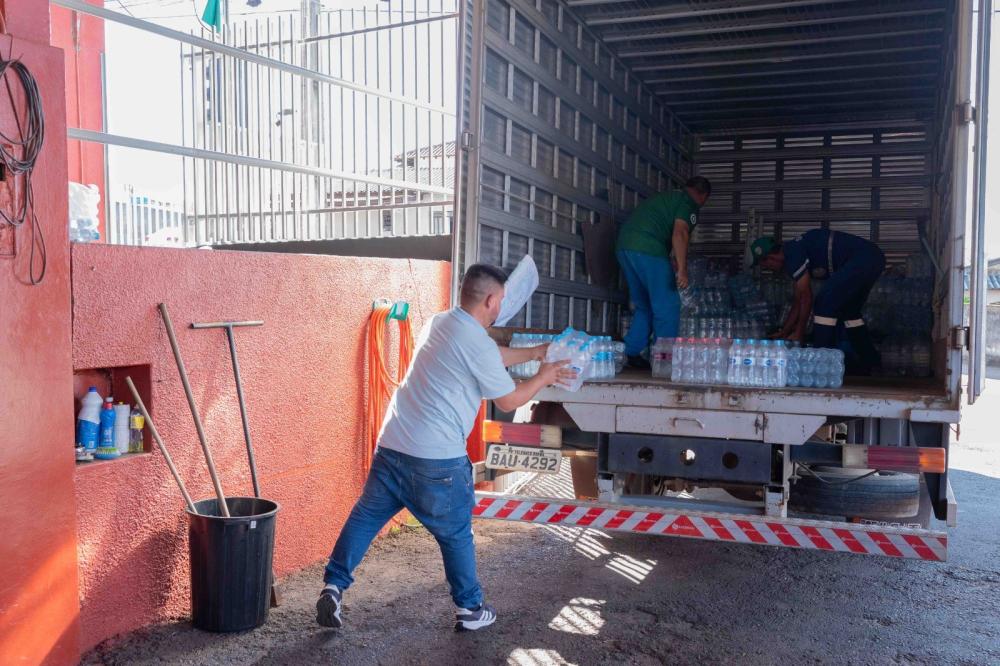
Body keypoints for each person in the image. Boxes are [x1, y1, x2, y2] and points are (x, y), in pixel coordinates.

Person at [317, 264, 575, 633]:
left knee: (365, 518)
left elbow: (489, 354)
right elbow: (509, 399)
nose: (501, 306)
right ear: (490, 300)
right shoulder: (477, 343)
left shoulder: (441, 323)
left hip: (393, 445)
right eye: (501, 300)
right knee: (455, 534)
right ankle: (470, 609)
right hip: (436, 460)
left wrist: (534, 352)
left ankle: (334, 585)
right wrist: (544, 376)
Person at [751, 229, 886, 373]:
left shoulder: (792, 254)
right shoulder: (794, 253)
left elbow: (807, 298)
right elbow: (798, 301)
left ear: (770, 258)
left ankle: (821, 363)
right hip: (873, 257)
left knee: (823, 304)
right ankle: (870, 360)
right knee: (850, 311)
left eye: (764, 265)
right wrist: (785, 331)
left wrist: (799, 333)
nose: (768, 269)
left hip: (861, 259)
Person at [615, 176, 711, 368]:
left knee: (645, 305)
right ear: (703, 196)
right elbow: (680, 232)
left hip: (624, 246)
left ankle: (629, 352)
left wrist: (674, 260)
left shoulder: (669, 198)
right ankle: (664, 361)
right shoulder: (688, 203)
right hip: (648, 249)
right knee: (668, 306)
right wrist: (682, 269)